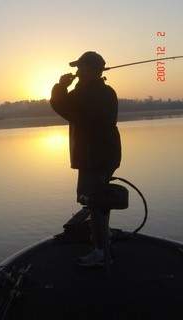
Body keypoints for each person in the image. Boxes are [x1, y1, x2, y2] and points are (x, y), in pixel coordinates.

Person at [50, 51, 121, 267]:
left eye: (80, 68)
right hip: (105, 155)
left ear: (90, 70)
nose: (76, 72)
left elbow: (60, 105)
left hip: (94, 157)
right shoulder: (106, 92)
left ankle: (100, 251)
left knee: (93, 201)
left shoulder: (87, 94)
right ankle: (103, 239)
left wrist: (61, 85)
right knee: (98, 200)